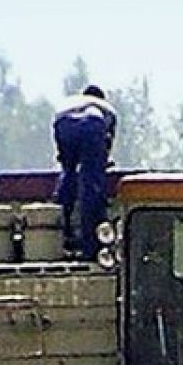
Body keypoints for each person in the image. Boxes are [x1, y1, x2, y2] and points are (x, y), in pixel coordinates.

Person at [52, 84, 117, 255]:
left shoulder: (71, 102)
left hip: (62, 122)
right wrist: (100, 162)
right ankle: (90, 243)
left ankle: (60, 223)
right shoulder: (107, 110)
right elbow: (106, 146)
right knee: (90, 182)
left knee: (68, 173)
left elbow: (62, 155)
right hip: (92, 124)